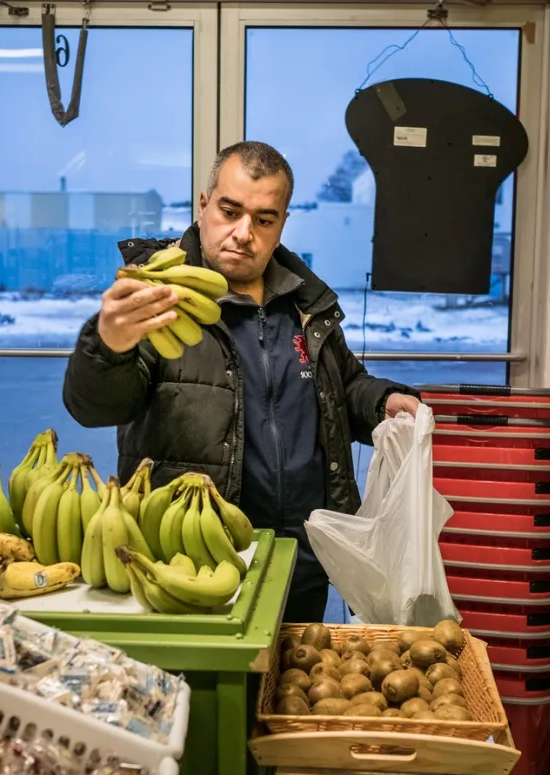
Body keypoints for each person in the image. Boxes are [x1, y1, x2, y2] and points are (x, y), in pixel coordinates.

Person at [63, 141, 420, 622]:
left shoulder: (303, 302)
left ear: (282, 224)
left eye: (263, 219)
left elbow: (344, 388)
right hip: (191, 556)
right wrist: (108, 343)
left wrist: (385, 403)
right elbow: (97, 407)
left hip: (303, 559)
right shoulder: (158, 300)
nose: (243, 233)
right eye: (230, 211)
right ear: (204, 204)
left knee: (290, 693)